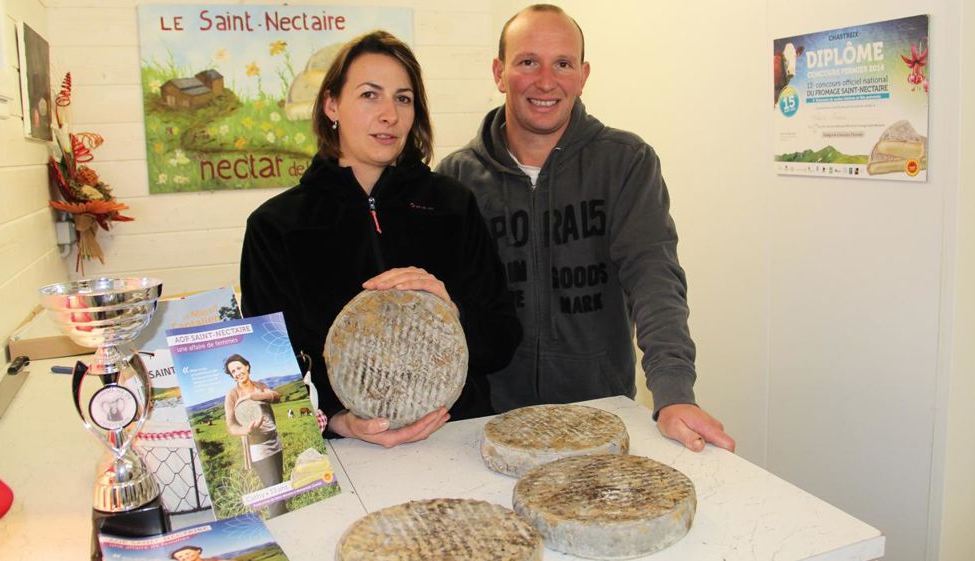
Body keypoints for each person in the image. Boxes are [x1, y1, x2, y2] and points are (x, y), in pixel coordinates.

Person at [436, 4, 735, 453]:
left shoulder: (625, 162)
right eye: (527, 62)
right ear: (500, 73)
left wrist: (673, 394)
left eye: (562, 63)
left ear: (583, 74)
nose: (545, 81)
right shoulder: (455, 178)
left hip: (600, 416)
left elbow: (653, 278)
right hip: (482, 420)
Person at [240, 31, 520, 448]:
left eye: (403, 98)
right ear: (331, 104)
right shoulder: (276, 227)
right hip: (343, 451)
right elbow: (271, 370)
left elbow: (501, 339)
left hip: (454, 438)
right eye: (370, 95)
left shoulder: (453, 205)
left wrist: (452, 309)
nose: (389, 114)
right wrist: (337, 420)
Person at [222, 354, 288, 518]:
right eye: (233, 371)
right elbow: (231, 427)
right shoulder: (232, 395)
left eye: (238, 368)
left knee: (278, 484)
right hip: (258, 447)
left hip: (275, 440)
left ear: (247, 367)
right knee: (273, 489)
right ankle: (278, 520)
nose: (237, 373)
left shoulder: (259, 386)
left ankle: (284, 515)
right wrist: (246, 430)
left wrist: (253, 396)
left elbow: (276, 397)